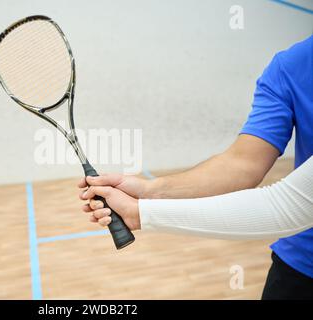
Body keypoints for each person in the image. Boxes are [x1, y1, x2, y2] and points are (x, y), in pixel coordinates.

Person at [78, 35, 313, 299]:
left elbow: (291, 206)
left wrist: (141, 212)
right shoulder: (289, 66)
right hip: (298, 266)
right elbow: (242, 164)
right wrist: (149, 190)